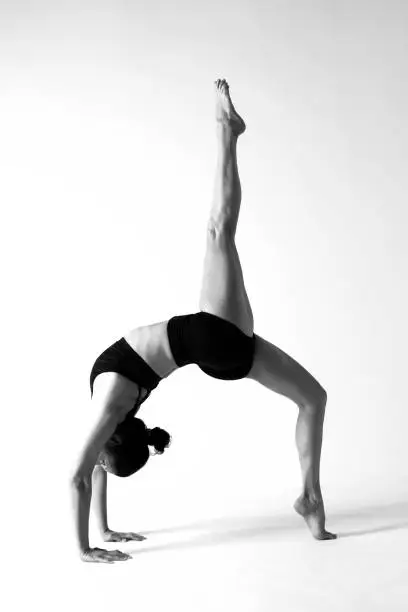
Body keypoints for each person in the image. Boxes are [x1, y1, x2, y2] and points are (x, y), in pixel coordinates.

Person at [71, 78, 337, 564]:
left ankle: (310, 498)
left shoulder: (113, 414)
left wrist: (103, 531)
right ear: (115, 438)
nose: (98, 463)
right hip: (211, 337)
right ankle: (226, 132)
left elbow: (92, 471)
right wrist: (86, 548)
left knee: (314, 399)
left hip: (217, 353)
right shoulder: (111, 408)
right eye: (104, 457)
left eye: (104, 458)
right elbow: (80, 476)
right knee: (219, 230)